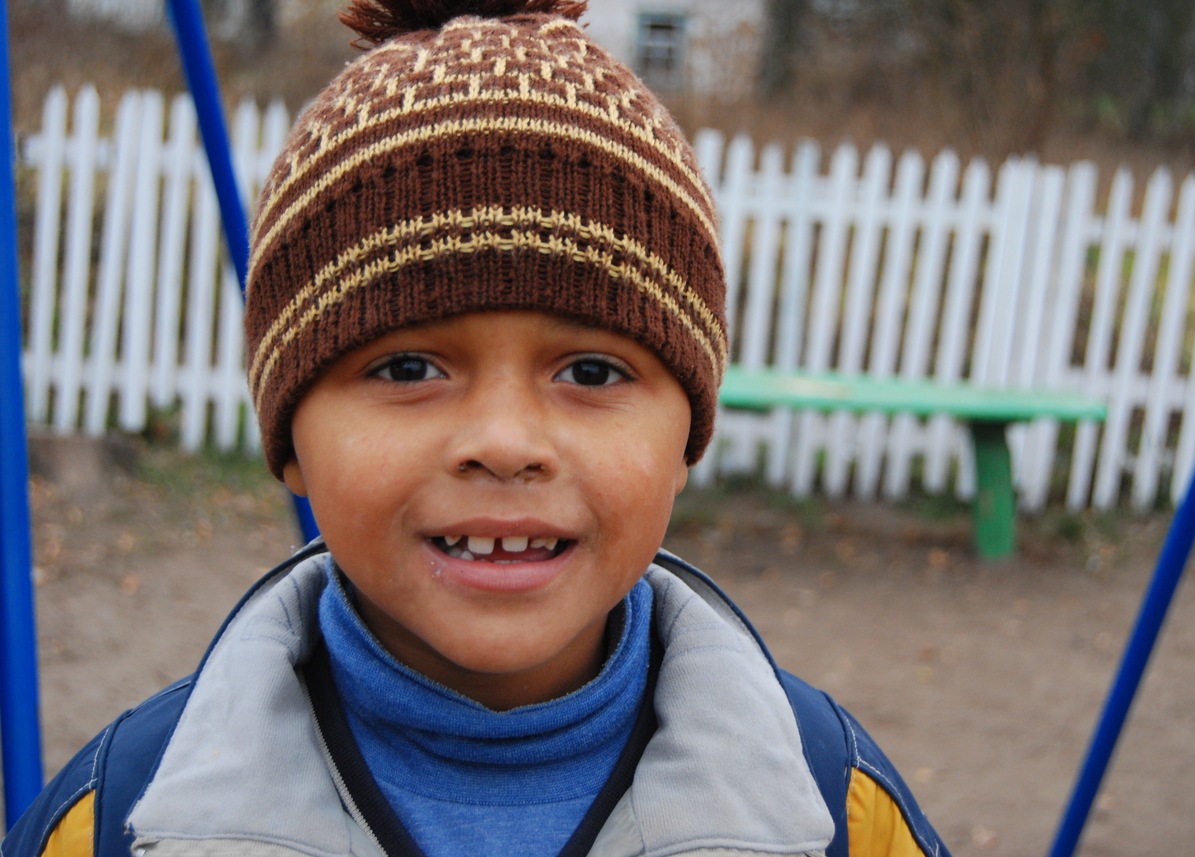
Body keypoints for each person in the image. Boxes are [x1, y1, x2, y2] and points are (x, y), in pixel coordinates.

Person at [4, 2, 952, 855]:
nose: (503, 441)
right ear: (291, 438)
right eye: (408, 368)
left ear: (686, 440)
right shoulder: (121, 817)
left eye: (591, 371)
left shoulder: (836, 810)